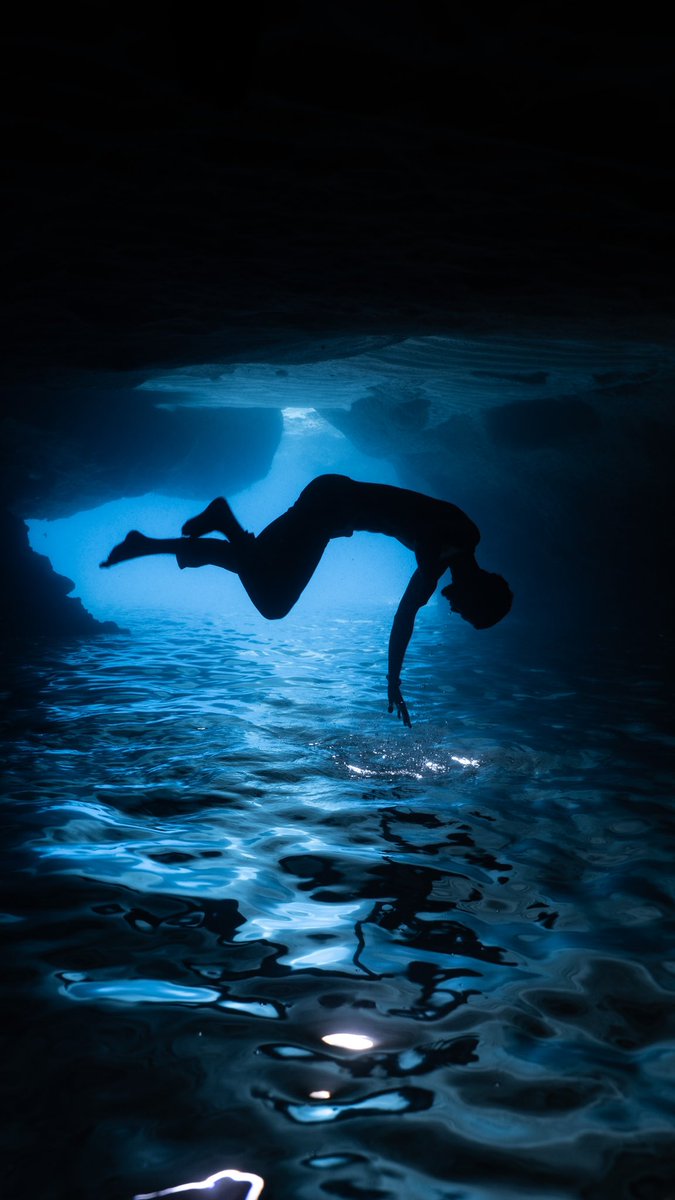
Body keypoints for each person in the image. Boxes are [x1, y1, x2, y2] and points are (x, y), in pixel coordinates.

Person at [100, 473, 512, 727]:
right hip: (331, 508)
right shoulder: (447, 550)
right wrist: (392, 681)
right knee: (273, 604)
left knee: (258, 569)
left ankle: (146, 544)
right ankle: (225, 523)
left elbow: (411, 600)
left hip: (330, 500)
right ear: (478, 594)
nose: (456, 611)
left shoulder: (451, 553)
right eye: (468, 612)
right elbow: (404, 616)